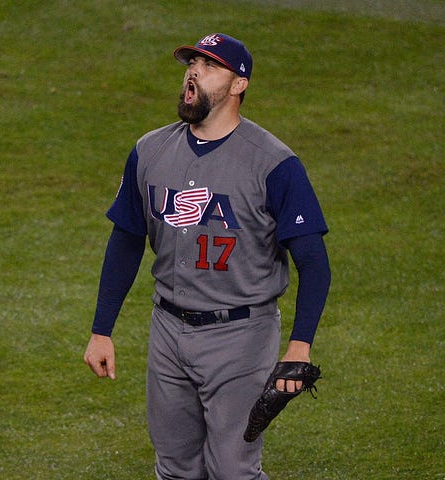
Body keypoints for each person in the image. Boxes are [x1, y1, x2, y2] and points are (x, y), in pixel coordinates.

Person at [83, 33, 331, 480]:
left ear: (239, 85)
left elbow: (314, 261)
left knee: (233, 470)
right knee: (175, 469)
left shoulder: (274, 163)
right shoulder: (149, 151)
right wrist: (102, 329)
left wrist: (300, 344)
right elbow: (125, 240)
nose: (193, 72)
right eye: (191, 63)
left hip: (241, 335)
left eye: (209, 66)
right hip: (167, 331)